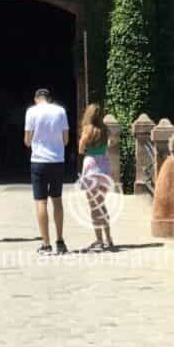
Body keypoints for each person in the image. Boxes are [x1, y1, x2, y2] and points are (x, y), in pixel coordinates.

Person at [24, 86, 70, 255]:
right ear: (49, 98)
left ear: (37, 99)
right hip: (57, 160)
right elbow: (66, 139)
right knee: (57, 200)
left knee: (41, 201)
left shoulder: (31, 112)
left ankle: (46, 243)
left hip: (39, 160)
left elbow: (27, 141)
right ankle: (60, 240)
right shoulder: (60, 111)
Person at [77, 103, 115, 252]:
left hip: (92, 165)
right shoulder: (105, 130)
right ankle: (109, 238)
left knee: (94, 206)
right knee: (102, 204)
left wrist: (86, 149)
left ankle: (99, 240)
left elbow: (81, 148)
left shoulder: (88, 130)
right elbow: (111, 143)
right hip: (104, 167)